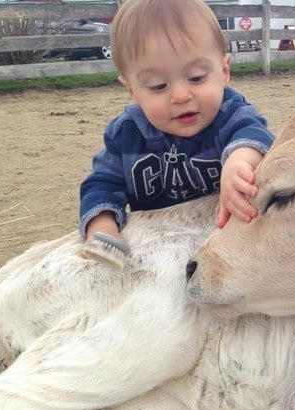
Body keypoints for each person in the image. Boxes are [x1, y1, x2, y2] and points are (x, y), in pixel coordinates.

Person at [79, 0, 274, 248]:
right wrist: (102, 224)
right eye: (159, 85)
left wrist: (240, 162)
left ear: (224, 72)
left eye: (196, 78)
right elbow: (101, 184)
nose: (181, 96)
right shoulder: (125, 135)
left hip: (224, 241)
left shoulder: (230, 114)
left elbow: (255, 135)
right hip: (159, 248)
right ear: (132, 91)